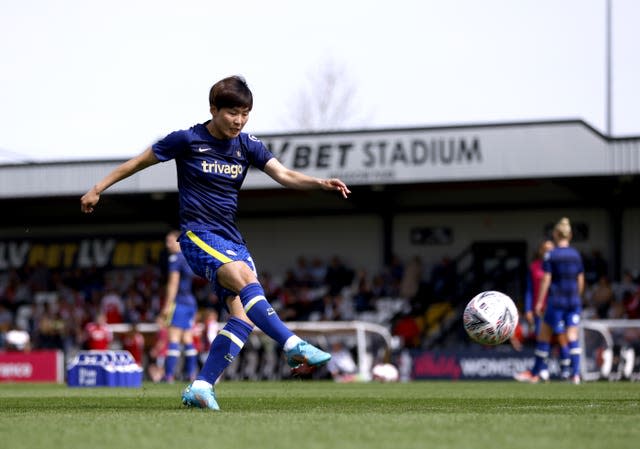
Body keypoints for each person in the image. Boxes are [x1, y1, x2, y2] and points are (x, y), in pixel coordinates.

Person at [80, 75, 351, 410]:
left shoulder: (247, 144)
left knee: (243, 317)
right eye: (232, 113)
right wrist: (98, 188)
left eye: (246, 113)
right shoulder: (187, 140)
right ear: (213, 109)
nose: (239, 120)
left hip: (230, 238)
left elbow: (284, 175)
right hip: (198, 235)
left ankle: (202, 385)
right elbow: (137, 163)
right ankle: (292, 342)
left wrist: (320, 183)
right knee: (245, 280)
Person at [516, 218, 584, 384]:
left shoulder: (551, 255)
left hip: (557, 301)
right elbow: (580, 279)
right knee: (572, 336)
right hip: (573, 301)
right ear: (570, 235)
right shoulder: (576, 254)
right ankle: (575, 375)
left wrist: (539, 303)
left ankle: (535, 372)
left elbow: (546, 279)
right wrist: (578, 297)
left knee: (544, 336)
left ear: (555, 234)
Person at [515, 239, 571, 380]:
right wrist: (528, 309)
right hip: (540, 311)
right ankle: (541, 370)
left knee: (561, 337)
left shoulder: (559, 266)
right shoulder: (534, 266)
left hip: (557, 307)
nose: (547, 251)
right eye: (545, 248)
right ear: (540, 251)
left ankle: (567, 370)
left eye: (550, 248)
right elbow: (529, 289)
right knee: (542, 339)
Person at [160, 230, 199, 383]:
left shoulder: (175, 258)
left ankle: (168, 375)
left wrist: (167, 305)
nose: (167, 244)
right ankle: (191, 374)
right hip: (191, 303)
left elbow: (173, 283)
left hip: (179, 303)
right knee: (188, 339)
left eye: (170, 241)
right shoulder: (187, 258)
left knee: (174, 339)